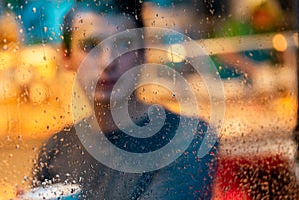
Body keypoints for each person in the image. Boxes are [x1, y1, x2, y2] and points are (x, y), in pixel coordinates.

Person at [31, 1, 218, 199]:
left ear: (143, 53)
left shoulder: (187, 139)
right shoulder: (56, 149)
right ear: (66, 57)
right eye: (90, 46)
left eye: (123, 44)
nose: (107, 62)